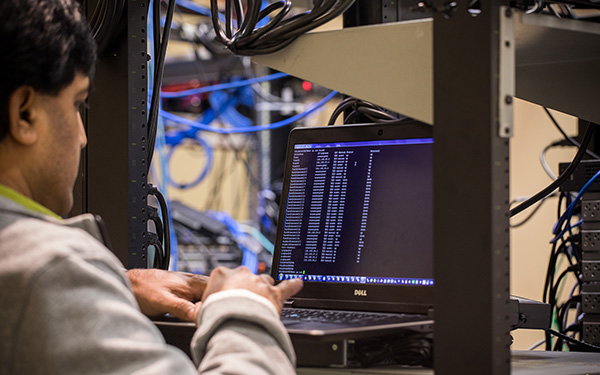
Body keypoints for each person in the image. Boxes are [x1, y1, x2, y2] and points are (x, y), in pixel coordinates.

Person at [0, 1, 303, 374]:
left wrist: (107, 289)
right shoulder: (45, 273)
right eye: (77, 104)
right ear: (24, 114)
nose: (82, 137)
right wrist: (244, 309)